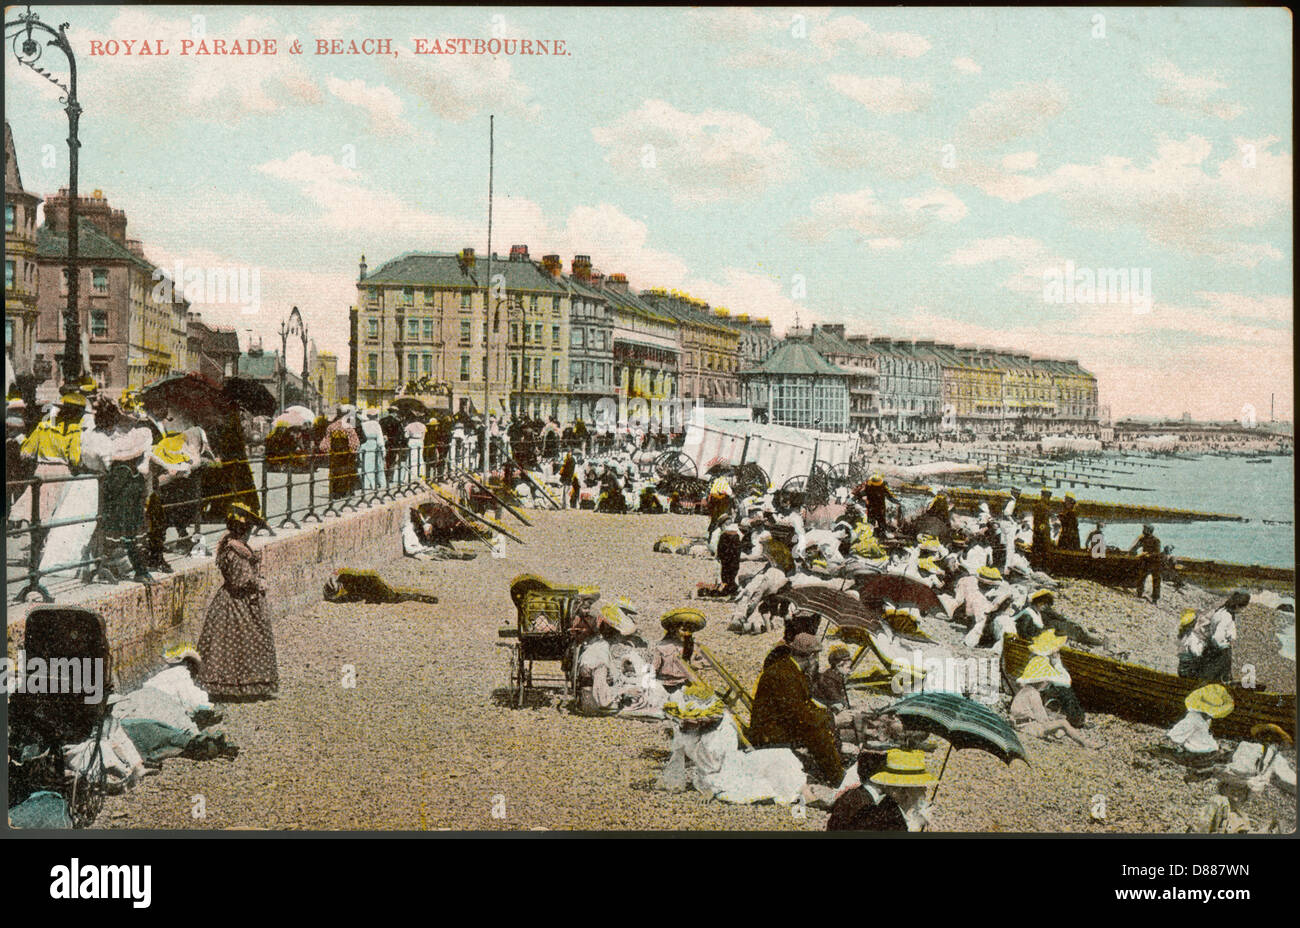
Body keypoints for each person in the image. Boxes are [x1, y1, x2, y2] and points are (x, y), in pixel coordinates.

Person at [197, 502, 278, 700]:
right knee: (246, 640)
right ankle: (241, 684)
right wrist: (258, 583)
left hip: (229, 601)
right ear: (245, 531)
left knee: (225, 645)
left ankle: (230, 683)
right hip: (238, 603)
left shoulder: (230, 546)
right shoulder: (237, 552)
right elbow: (240, 581)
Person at [748, 632, 844, 785]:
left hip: (777, 724)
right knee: (817, 731)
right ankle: (838, 779)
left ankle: (834, 768)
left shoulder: (789, 668)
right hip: (769, 733)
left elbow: (800, 707)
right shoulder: (785, 676)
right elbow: (799, 715)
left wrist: (828, 714)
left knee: (820, 722)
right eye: (816, 656)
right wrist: (833, 718)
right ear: (812, 656)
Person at [1010, 656, 1099, 747]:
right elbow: (1042, 719)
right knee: (1063, 723)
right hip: (1029, 728)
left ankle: (1060, 733)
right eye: (1047, 681)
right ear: (1041, 681)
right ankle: (1085, 743)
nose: (1048, 684)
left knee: (1058, 723)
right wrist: (1054, 719)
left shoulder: (1025, 690)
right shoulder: (1034, 694)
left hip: (1020, 724)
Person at [1198, 591, 1247, 683]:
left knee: (1212, 678)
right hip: (1220, 652)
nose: (1243, 611)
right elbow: (1217, 637)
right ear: (1237, 606)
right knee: (1218, 679)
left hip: (1212, 649)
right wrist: (1225, 646)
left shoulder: (1221, 611)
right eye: (1243, 608)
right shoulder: (1226, 617)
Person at [1127, 524, 1162, 603]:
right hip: (1146, 562)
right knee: (1141, 577)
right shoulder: (1142, 538)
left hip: (1155, 562)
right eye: (1143, 529)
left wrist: (1147, 554)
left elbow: (1157, 553)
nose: (1143, 530)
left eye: (1145, 529)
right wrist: (1132, 551)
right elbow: (1135, 547)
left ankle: (1155, 598)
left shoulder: (1156, 540)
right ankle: (1139, 593)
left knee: (1156, 580)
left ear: (1149, 531)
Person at [358, 408, 387, 491]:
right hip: (374, 444)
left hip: (365, 444)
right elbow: (380, 437)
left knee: (367, 465)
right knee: (378, 465)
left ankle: (367, 484)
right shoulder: (376, 424)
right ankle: (380, 483)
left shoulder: (363, 424)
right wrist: (382, 447)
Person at [1031, 488, 1053, 555]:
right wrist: (1044, 530)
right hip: (1042, 532)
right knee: (1043, 549)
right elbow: (1042, 522)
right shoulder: (1043, 506)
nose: (1049, 499)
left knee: (1037, 549)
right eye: (1048, 497)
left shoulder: (1040, 505)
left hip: (1038, 530)